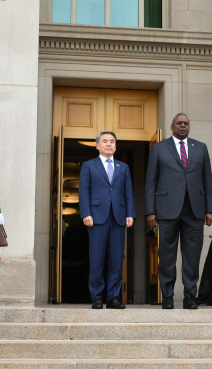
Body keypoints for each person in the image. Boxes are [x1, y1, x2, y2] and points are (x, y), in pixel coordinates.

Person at [145, 113, 212, 310]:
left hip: (195, 210)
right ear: (172, 126)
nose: (183, 126)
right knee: (166, 257)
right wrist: (150, 212)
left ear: (189, 127)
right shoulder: (159, 148)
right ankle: (167, 297)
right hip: (166, 210)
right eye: (179, 123)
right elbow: (151, 182)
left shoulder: (200, 148)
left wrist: (210, 209)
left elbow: (207, 180)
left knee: (192, 257)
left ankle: (189, 298)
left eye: (186, 123)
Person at [79, 131, 135, 309]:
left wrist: (130, 214)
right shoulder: (89, 166)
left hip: (118, 217)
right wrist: (86, 213)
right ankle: (96, 297)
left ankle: (113, 298)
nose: (109, 144)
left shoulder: (123, 167)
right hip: (96, 218)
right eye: (105, 141)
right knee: (96, 259)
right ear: (97, 145)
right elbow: (84, 192)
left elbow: (128, 193)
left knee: (117, 259)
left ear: (116, 146)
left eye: (112, 142)